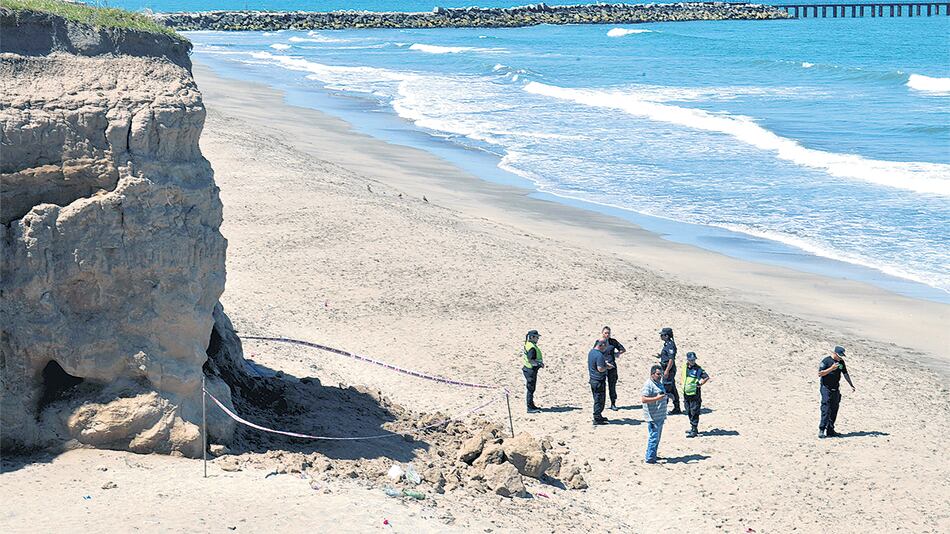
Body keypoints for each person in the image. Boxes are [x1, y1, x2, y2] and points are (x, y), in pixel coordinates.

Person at [818, 345, 855, 438]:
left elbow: (845, 373)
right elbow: (820, 373)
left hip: (835, 388)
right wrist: (832, 368)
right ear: (834, 353)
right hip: (826, 388)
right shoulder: (826, 361)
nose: (840, 358)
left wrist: (851, 384)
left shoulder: (841, 362)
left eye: (841, 356)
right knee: (825, 408)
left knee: (834, 409)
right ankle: (821, 430)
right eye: (839, 356)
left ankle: (830, 430)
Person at [641, 364, 668, 463]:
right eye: (658, 374)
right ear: (652, 374)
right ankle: (650, 458)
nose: (660, 376)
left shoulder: (659, 383)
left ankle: (653, 455)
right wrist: (657, 398)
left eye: (661, 374)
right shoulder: (648, 384)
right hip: (653, 417)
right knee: (653, 437)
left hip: (660, 416)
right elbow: (644, 399)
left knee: (657, 438)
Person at [595, 326, 627, 411]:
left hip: (612, 366)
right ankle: (601, 404)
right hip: (602, 366)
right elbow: (595, 352)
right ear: (602, 333)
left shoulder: (613, 342)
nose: (607, 334)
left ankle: (613, 403)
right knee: (601, 385)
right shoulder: (599, 342)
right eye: (605, 333)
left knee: (612, 385)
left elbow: (623, 349)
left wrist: (617, 354)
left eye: (608, 333)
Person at [682, 352, 710, 438]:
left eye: (693, 360)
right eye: (691, 360)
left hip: (695, 393)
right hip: (686, 392)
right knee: (688, 410)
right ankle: (693, 427)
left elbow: (706, 377)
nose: (692, 361)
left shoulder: (698, 369)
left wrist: (700, 384)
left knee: (694, 411)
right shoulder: (685, 367)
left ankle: (694, 429)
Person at [657, 327, 681, 414]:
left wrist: (667, 371)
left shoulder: (670, 345)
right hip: (666, 368)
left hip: (669, 370)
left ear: (666, 336)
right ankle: (677, 407)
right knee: (673, 388)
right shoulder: (667, 344)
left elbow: (671, 360)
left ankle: (663, 409)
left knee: (666, 389)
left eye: (662, 335)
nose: (661, 336)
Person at [588, 338, 612, 425]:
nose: (605, 348)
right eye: (605, 346)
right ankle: (597, 418)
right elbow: (600, 369)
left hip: (593, 380)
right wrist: (607, 367)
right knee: (599, 400)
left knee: (597, 399)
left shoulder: (591, 352)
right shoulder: (599, 355)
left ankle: (598, 416)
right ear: (601, 345)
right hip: (598, 381)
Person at [522, 330, 544, 413]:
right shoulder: (531, 347)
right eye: (536, 337)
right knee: (531, 389)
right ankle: (530, 408)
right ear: (531, 337)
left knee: (531, 388)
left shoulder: (528, 344)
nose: (537, 339)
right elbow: (531, 360)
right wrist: (539, 364)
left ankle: (531, 405)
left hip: (528, 369)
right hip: (530, 369)